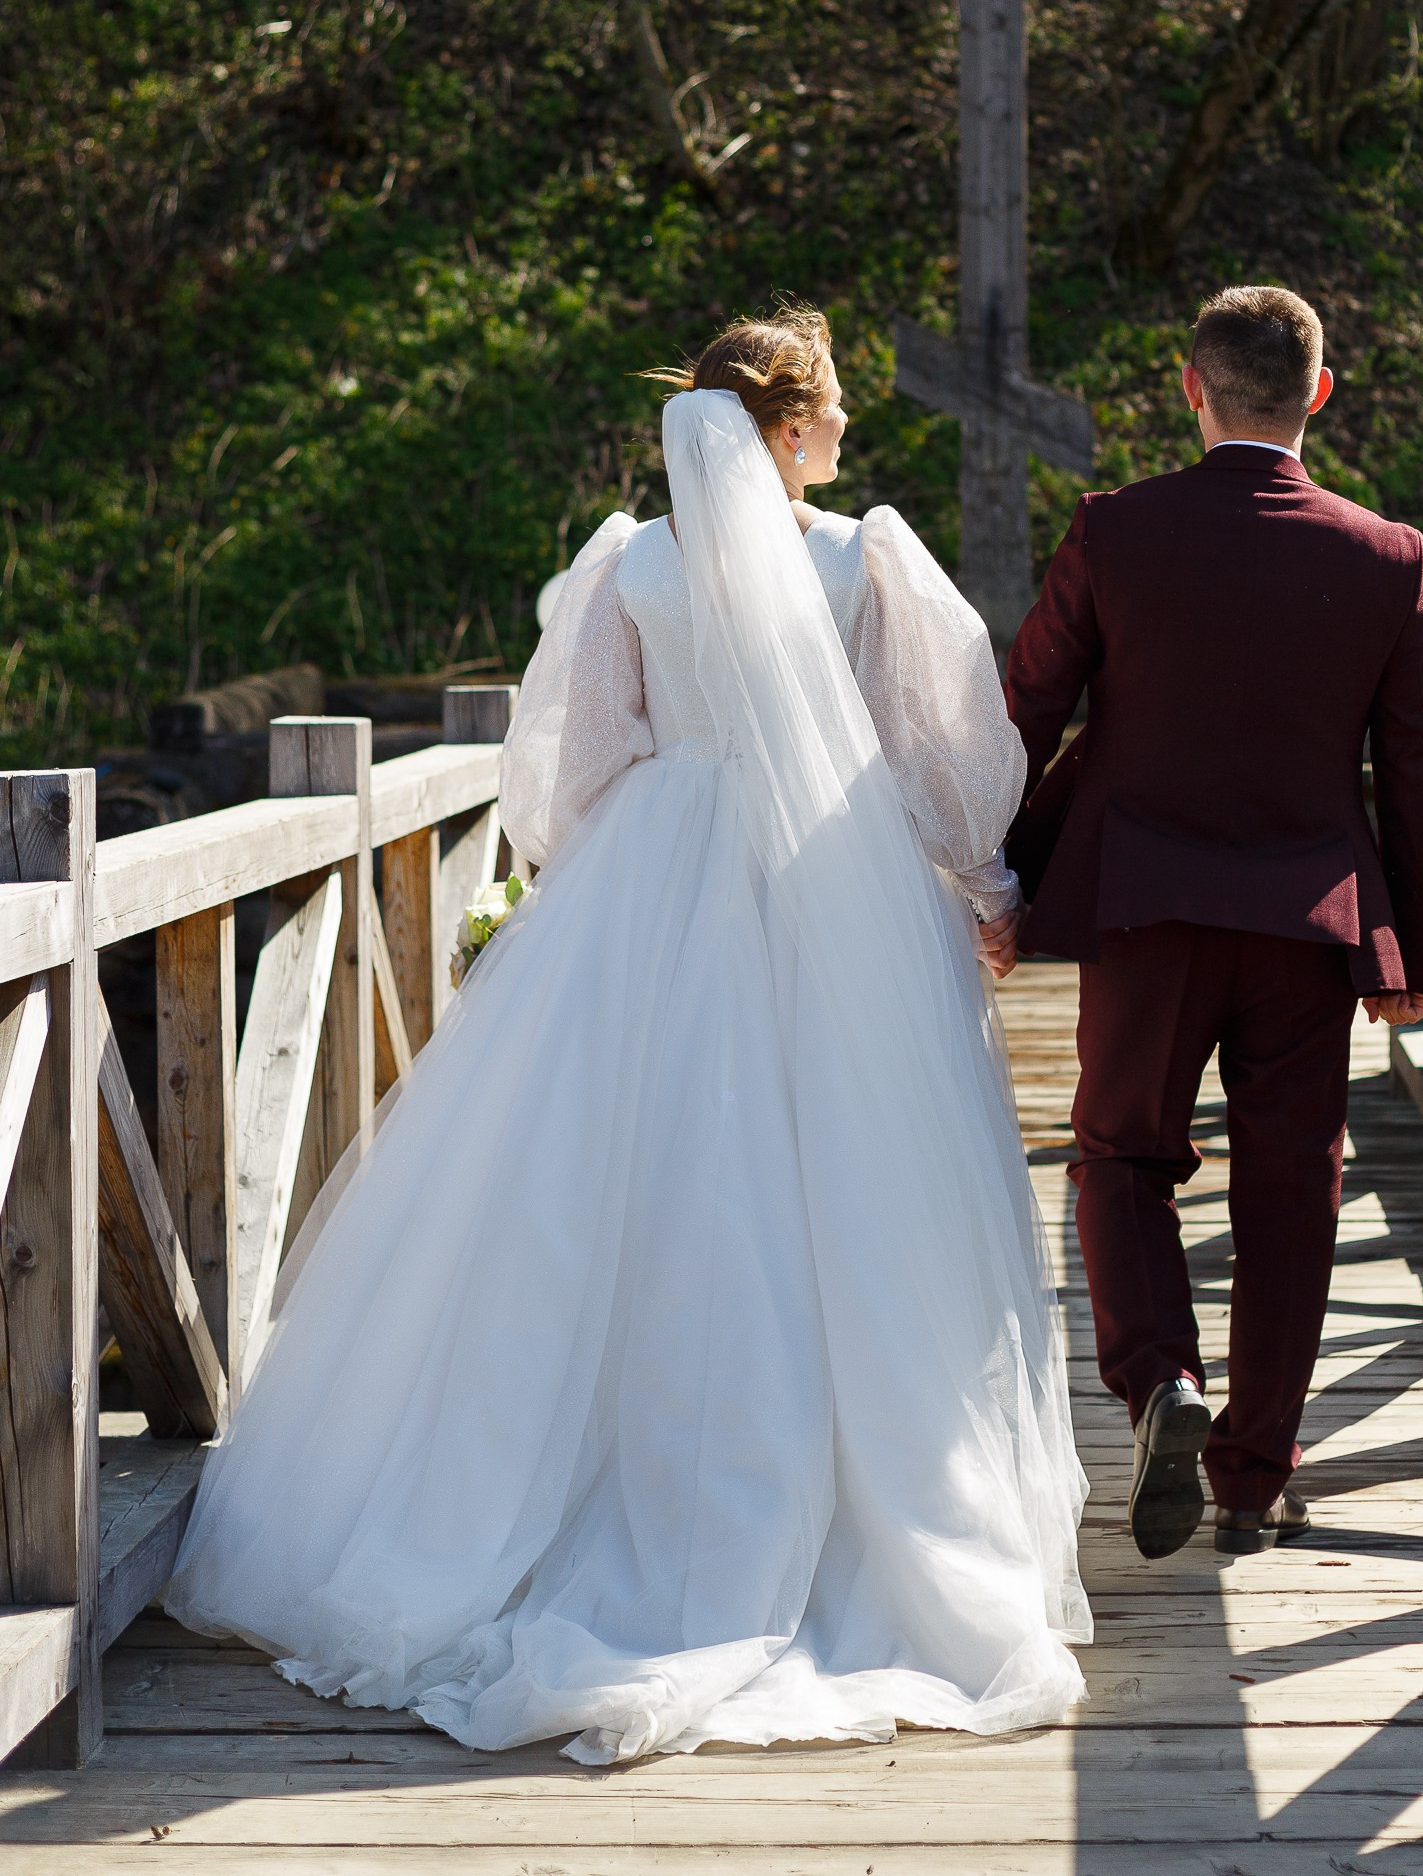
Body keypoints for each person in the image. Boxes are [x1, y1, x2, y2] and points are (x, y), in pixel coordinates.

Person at [169, 308, 1089, 1761]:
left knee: (631, 1190)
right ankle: (860, 1518)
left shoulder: (630, 565)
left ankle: (605, 1487)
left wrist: (596, 902)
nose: (849, 430)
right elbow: (939, 753)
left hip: (660, 876)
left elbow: (575, 765)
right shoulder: (867, 560)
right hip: (835, 884)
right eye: (836, 409)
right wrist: (984, 885)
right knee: (851, 1190)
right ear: (789, 429)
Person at [1003, 284, 1423, 1559]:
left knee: (1120, 1155)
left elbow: (1023, 711)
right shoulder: (1384, 557)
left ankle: (1159, 1387)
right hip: (1308, 924)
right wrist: (1410, 954)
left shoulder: (1115, 531)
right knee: (1292, 1191)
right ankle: (1252, 1477)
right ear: (1317, 393)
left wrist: (984, 870)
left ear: (1188, 389)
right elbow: (1414, 767)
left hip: (1144, 907)